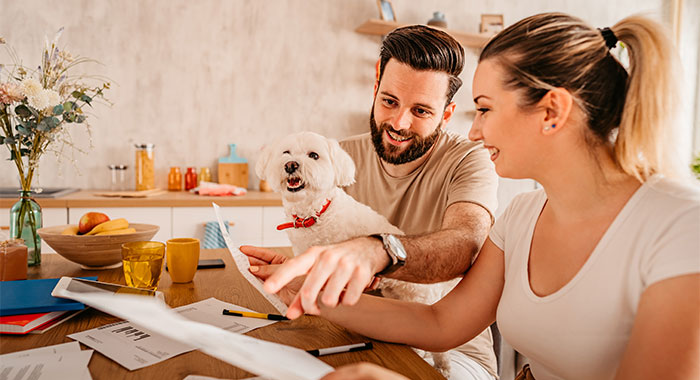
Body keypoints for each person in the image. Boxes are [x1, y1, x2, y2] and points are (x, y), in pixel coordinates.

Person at [263, 12, 700, 380]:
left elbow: (462, 245)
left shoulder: (681, 225)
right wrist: (306, 290)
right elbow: (439, 322)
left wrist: (379, 252)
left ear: (551, 112)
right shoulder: (522, 215)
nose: (474, 131)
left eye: (485, 109)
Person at [242, 25, 500, 379]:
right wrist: (304, 273)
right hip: (354, 331)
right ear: (375, 84)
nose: (398, 122)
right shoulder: (335, 156)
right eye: (389, 101)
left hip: (453, 352)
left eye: (421, 111)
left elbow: (465, 244)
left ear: (447, 113)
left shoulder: (470, 159)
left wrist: (378, 251)